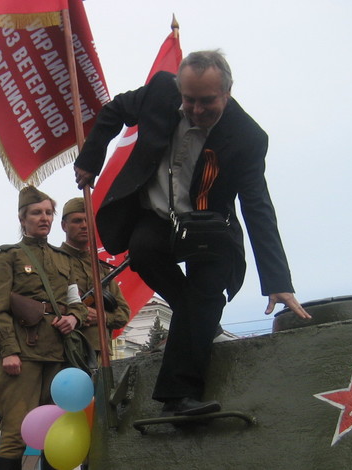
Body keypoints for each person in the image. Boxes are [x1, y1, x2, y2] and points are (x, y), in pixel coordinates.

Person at [73, 50, 311, 416]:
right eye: (189, 100)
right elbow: (113, 112)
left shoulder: (247, 136)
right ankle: (200, 317)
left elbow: (257, 205)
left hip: (210, 228)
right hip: (156, 216)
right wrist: (91, 159)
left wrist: (278, 280)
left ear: (227, 94)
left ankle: (177, 399)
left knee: (206, 293)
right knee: (149, 254)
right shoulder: (159, 92)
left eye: (207, 102)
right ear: (179, 91)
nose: (197, 110)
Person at [0, 186, 88, 470]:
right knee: (15, 431)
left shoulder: (64, 259)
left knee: (55, 428)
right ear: (22, 218)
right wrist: (9, 350)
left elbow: (76, 301)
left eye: (48, 213)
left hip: (57, 355)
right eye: (36, 213)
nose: (44, 218)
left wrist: (74, 318)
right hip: (24, 354)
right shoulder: (10, 256)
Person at [59, 197, 131, 356]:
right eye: (77, 221)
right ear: (64, 226)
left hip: (99, 351)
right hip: (64, 349)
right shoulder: (54, 261)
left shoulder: (101, 269)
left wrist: (102, 317)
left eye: (87, 220)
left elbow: (124, 313)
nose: (84, 225)